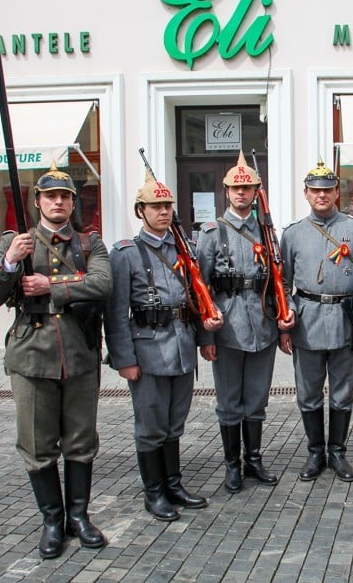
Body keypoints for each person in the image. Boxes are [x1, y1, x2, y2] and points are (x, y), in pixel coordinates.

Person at [0, 166, 111, 558]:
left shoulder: (89, 243)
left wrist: (51, 286)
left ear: (73, 202)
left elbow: (103, 283)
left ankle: (79, 517)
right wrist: (10, 265)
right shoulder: (15, 243)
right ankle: (52, 520)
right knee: (37, 444)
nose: (59, 202)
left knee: (81, 441)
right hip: (32, 355)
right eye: (51, 196)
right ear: (37, 201)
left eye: (65, 197)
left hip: (79, 353)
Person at [104, 174, 223, 522]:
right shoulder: (126, 253)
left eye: (168, 206)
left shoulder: (184, 248)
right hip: (147, 352)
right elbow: (115, 313)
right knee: (150, 427)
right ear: (140, 211)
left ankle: (173, 484)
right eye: (156, 206)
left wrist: (206, 340)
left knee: (174, 424)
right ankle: (153, 492)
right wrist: (124, 359)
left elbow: (199, 299)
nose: (163, 212)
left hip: (182, 347)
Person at [195, 152, 295, 493]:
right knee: (229, 401)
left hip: (263, 326)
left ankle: (254, 459)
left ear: (255, 192)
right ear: (226, 192)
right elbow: (200, 287)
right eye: (236, 189)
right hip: (227, 329)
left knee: (256, 399)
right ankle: (232, 465)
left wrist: (284, 324)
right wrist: (204, 336)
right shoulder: (211, 232)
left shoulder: (267, 232)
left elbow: (280, 280)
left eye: (248, 188)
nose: (242, 194)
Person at [279, 159, 353, 482]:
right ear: (305, 193)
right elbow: (283, 284)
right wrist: (286, 324)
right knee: (308, 391)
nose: (321, 196)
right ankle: (315, 451)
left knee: (343, 391)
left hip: (347, 321)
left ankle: (338, 452)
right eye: (315, 191)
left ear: (337, 193)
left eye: (327, 190)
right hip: (307, 322)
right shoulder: (292, 235)